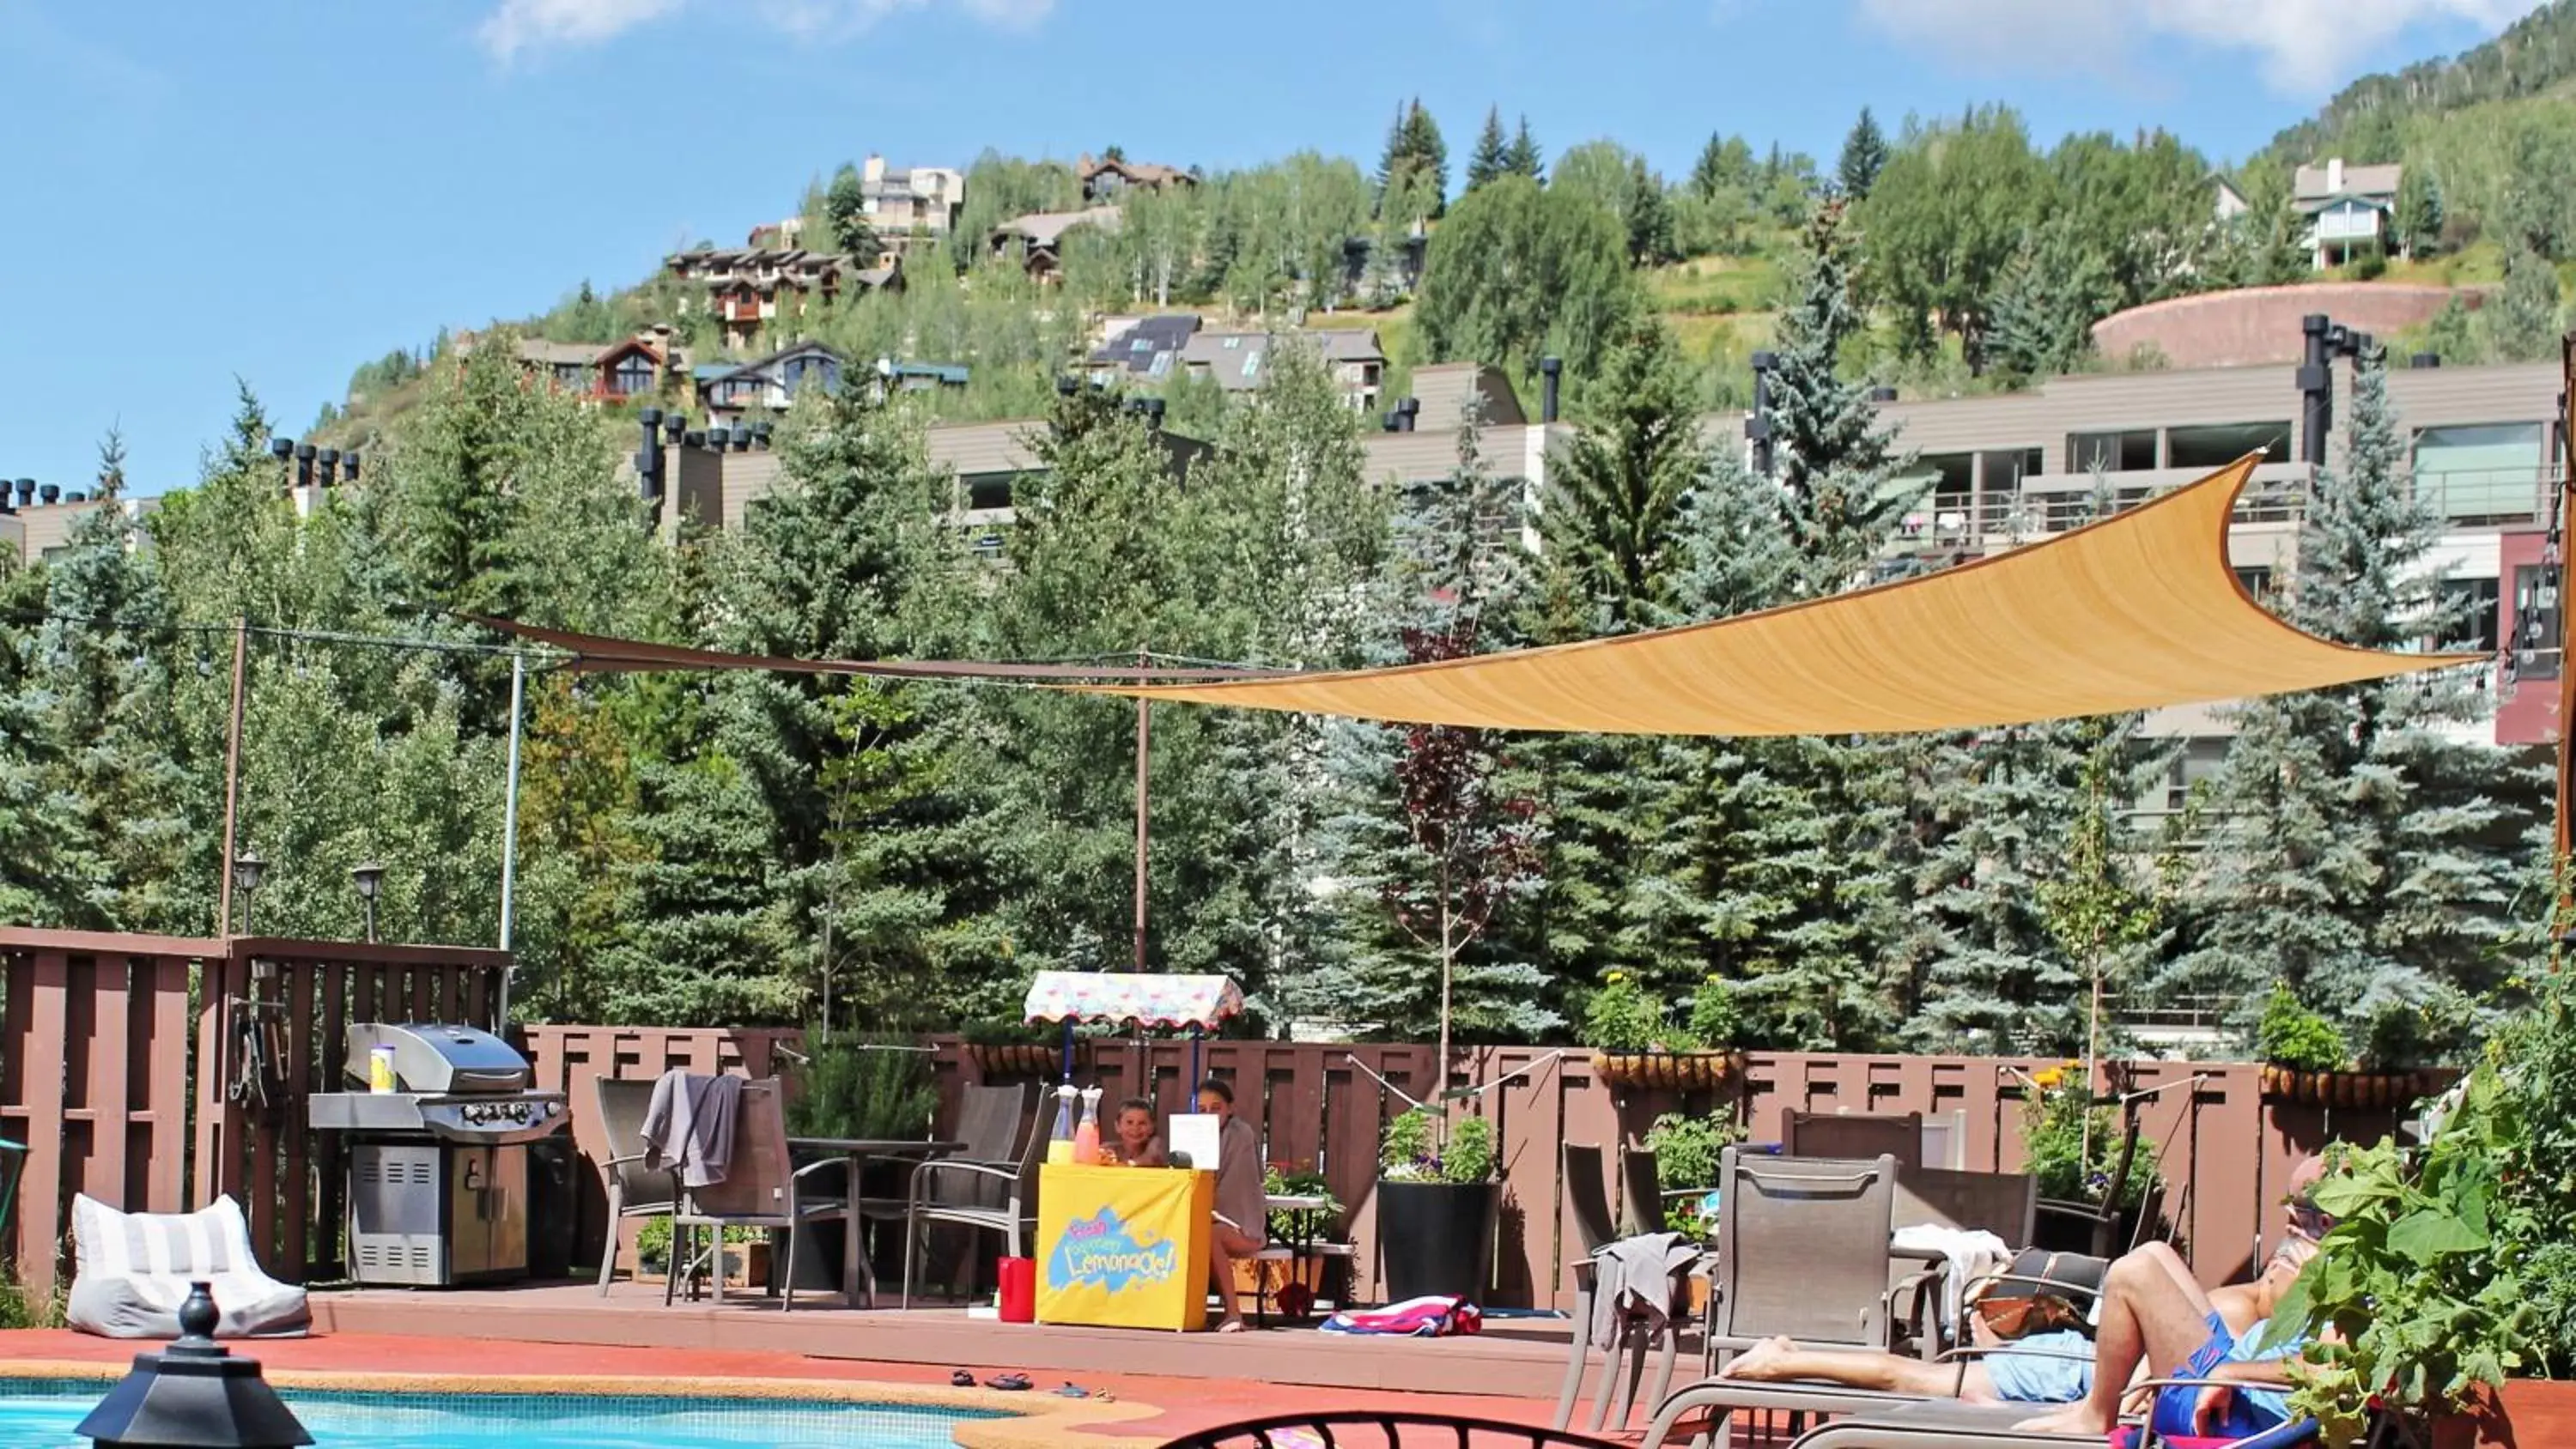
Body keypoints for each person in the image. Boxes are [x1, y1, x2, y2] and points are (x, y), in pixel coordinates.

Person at [1719, 1156, 2331, 1432]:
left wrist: (2227, 1366)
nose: (2296, 1231)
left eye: (2309, 1219)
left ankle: (2097, 1415)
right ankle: (1787, 1355)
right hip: (2164, 1377)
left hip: (2188, 1401)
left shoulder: (2338, 1307)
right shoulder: (2282, 1299)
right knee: (2149, 1259)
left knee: (1933, 1379)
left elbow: (2324, 1369)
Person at [1197, 1076, 1266, 1333]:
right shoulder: (1196, 1136)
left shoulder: (1240, 1135)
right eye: (1202, 1110)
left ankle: (1234, 1313)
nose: (1209, 1115)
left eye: (1216, 1108)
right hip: (1211, 1219)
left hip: (1242, 1228)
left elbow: (1238, 1184)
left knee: (1211, 1235)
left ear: (1230, 1108)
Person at [1109, 1095, 1166, 1167]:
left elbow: (1150, 1158)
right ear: (1118, 1126)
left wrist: (1128, 1164)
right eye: (1129, 1122)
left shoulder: (1155, 1144)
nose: (1135, 1128)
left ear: (1152, 1128)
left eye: (1142, 1123)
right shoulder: (1113, 1149)